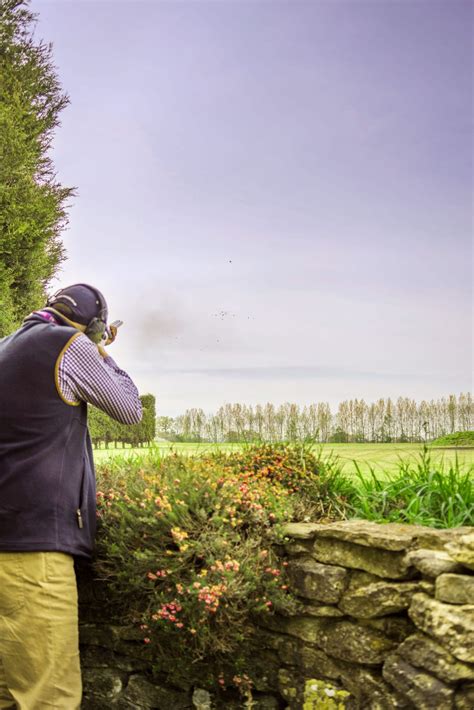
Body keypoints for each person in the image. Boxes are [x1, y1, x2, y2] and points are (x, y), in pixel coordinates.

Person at [0, 283, 143, 709]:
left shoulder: (6, 345)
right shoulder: (70, 343)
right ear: (96, 325)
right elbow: (129, 408)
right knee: (49, 697)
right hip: (34, 548)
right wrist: (102, 353)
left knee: (8, 694)